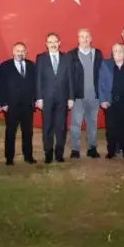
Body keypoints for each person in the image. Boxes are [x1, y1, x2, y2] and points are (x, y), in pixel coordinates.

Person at [37, 32, 75, 163]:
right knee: (47, 126)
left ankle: (59, 154)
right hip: (46, 99)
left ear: (59, 43)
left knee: (61, 127)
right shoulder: (41, 58)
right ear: (46, 44)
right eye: (50, 42)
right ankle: (48, 153)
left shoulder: (67, 58)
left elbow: (70, 79)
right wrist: (39, 98)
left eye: (55, 42)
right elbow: (38, 79)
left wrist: (71, 98)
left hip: (62, 98)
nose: (53, 44)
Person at [0, 42, 38, 165]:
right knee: (10, 132)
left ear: (26, 52)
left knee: (28, 132)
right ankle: (9, 158)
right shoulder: (5, 66)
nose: (20, 53)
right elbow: (0, 85)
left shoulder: (31, 65)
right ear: (13, 52)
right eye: (18, 50)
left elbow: (36, 84)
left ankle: (28, 156)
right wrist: (3, 103)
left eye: (22, 51)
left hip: (27, 106)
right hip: (11, 106)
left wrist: (35, 100)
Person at [67, 29, 103, 158]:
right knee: (76, 124)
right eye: (82, 37)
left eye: (87, 36)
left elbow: (102, 74)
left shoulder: (97, 53)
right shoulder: (71, 55)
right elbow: (69, 77)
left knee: (92, 123)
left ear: (91, 38)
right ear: (78, 39)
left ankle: (92, 148)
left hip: (94, 97)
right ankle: (75, 150)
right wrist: (70, 96)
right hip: (78, 97)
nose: (85, 39)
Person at [98, 43, 124, 158]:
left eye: (120, 51)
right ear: (112, 53)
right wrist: (103, 100)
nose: (118, 53)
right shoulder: (106, 64)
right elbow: (101, 83)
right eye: (115, 51)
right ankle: (111, 152)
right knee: (111, 129)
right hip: (110, 102)